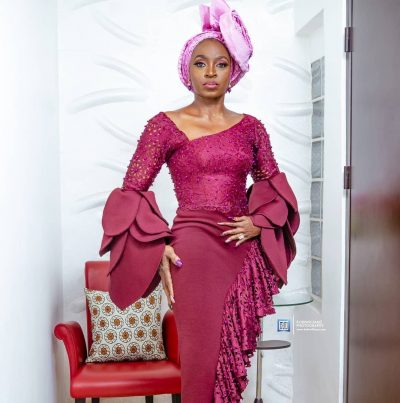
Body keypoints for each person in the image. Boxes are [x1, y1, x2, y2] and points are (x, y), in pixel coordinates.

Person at [99, 0, 300, 401]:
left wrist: (258, 223)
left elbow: (273, 188)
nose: (210, 72)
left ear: (233, 71)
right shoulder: (163, 126)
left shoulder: (252, 128)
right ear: (186, 70)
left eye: (221, 64)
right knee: (199, 359)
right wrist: (158, 246)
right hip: (191, 251)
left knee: (229, 354)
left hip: (240, 251)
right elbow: (131, 191)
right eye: (200, 63)